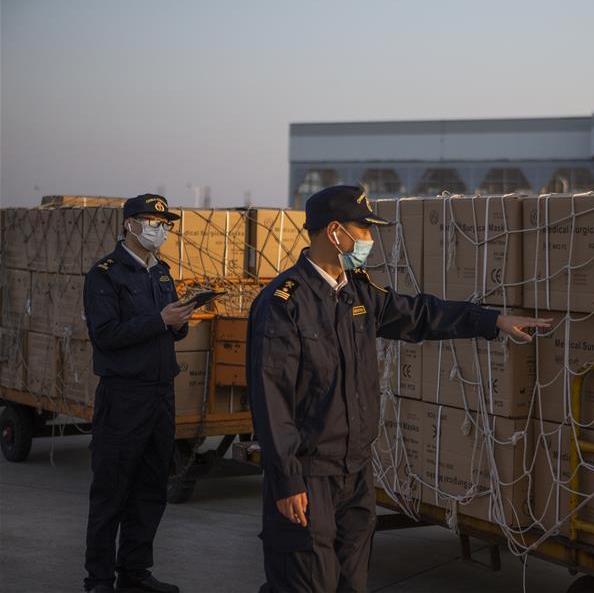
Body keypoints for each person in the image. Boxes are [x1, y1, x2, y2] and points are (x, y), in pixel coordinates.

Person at [247, 185, 551, 593]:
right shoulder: (284, 303)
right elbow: (271, 401)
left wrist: (492, 321)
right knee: (304, 582)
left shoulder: (357, 292)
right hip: (309, 475)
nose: (370, 239)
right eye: (363, 229)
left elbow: (420, 315)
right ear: (335, 231)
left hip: (354, 473)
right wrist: (287, 482)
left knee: (351, 583)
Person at [82, 194, 194, 593]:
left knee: (150, 489)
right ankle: (98, 579)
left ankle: (135, 572)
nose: (159, 229)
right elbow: (105, 335)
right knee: (111, 492)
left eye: (164, 223)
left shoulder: (162, 273)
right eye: (151, 221)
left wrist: (179, 321)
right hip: (123, 397)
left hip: (161, 395)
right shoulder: (105, 275)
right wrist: (158, 319)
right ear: (129, 224)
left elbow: (169, 329)